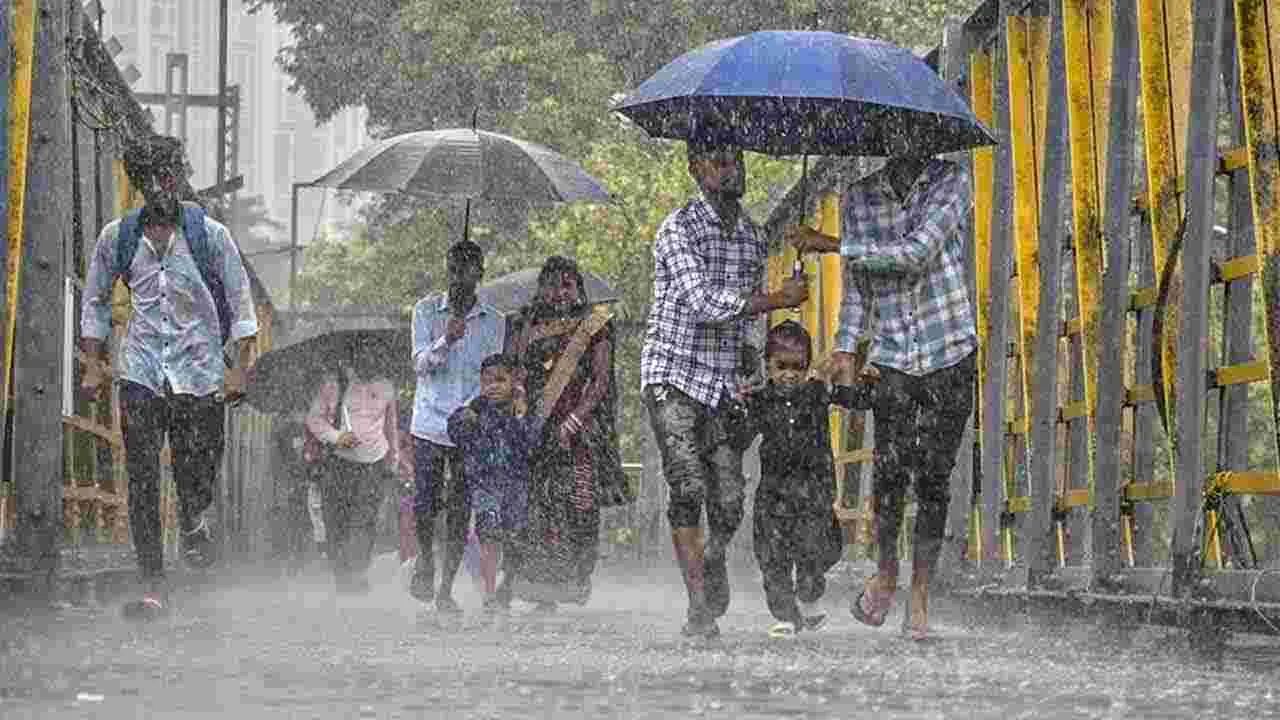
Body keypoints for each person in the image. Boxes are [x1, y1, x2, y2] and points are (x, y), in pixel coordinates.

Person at [787, 152, 977, 640]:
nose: (906, 140)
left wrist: (831, 244)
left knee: (934, 480)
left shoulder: (952, 180)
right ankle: (888, 572)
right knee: (889, 476)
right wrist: (844, 347)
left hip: (948, 349)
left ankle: (920, 596)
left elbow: (918, 252)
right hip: (892, 355)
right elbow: (858, 291)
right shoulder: (860, 197)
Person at [79, 134, 258, 619]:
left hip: (199, 374)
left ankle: (195, 517)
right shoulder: (117, 238)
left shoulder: (211, 237)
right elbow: (95, 300)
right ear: (139, 184)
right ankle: (152, 585)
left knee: (195, 473)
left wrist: (239, 370)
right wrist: (94, 362)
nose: (162, 187)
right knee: (141, 479)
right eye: (151, 180)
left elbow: (241, 302)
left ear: (178, 176)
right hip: (141, 372)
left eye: (169, 176)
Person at [642, 141, 810, 639]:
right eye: (720, 162)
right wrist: (776, 298)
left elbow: (748, 320)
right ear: (695, 169)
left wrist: (755, 355)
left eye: (738, 161)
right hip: (672, 374)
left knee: (731, 498)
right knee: (688, 485)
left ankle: (713, 556)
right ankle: (698, 606)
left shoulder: (754, 237)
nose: (732, 170)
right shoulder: (678, 229)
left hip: (722, 382)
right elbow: (702, 302)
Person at [737, 321, 874, 638]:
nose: (789, 374)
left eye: (797, 367)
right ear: (768, 366)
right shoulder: (760, 400)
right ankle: (786, 615)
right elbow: (740, 437)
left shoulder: (816, 392)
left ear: (808, 366)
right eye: (781, 366)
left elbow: (854, 399)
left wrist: (866, 384)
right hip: (773, 496)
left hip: (814, 492)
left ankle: (809, 597)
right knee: (772, 559)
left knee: (814, 552)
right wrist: (736, 407)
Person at [507, 256, 626, 612]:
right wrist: (522, 412)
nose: (559, 292)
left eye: (567, 285)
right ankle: (541, 589)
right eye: (551, 285)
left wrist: (572, 422)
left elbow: (600, 382)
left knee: (578, 505)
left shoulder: (596, 325)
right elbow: (516, 372)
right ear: (540, 289)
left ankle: (575, 579)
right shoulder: (527, 323)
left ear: (579, 290)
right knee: (538, 508)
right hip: (535, 428)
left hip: (579, 430)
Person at [409, 241, 505, 613]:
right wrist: (446, 339)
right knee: (425, 503)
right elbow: (420, 366)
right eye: (453, 269)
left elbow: (494, 376)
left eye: (466, 270)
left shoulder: (495, 321)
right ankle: (425, 560)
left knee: (460, 508)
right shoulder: (425, 311)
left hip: (469, 425)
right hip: (430, 423)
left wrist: (476, 408)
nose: (458, 277)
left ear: (479, 273)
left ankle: (446, 588)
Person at [446, 354, 545, 612]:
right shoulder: (476, 410)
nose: (493, 386)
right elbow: (455, 433)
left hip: (516, 485)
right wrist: (467, 416)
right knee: (489, 536)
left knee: (514, 537)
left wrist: (521, 412)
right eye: (487, 381)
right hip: (485, 485)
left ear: (514, 381)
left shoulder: (523, 411)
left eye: (500, 380)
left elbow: (533, 443)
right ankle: (489, 593)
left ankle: (507, 585)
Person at [304, 346, 399, 593]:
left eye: (373, 356)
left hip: (374, 463)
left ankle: (358, 570)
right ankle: (342, 575)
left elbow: (391, 426)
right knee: (337, 521)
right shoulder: (334, 385)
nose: (368, 360)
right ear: (353, 359)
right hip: (340, 463)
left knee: (366, 520)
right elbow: (313, 419)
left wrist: (394, 459)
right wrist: (336, 436)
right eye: (362, 356)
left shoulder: (387, 387)